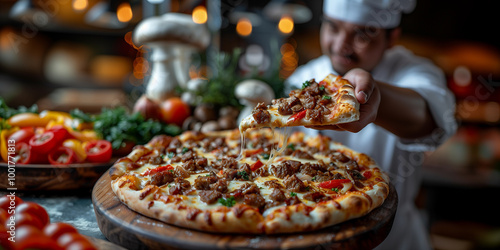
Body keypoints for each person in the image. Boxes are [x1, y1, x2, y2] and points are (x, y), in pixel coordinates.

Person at [285, 0, 457, 249]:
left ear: (392, 37)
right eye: (332, 27)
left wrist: (376, 97)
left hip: (392, 239)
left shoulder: (414, 70)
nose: (341, 45)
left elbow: (429, 121)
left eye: (363, 34)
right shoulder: (303, 79)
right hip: (313, 234)